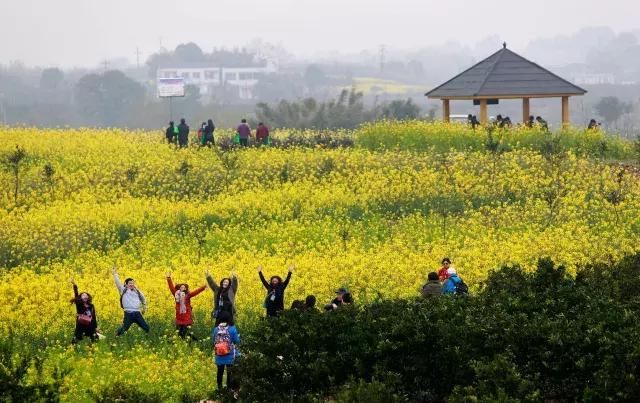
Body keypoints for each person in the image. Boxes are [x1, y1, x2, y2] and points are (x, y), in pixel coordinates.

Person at [166, 272, 207, 340]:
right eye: (181, 287)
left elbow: (195, 292)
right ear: (179, 288)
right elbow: (171, 288)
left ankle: (196, 340)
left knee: (185, 333)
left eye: (184, 287)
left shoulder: (188, 295)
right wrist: (168, 278)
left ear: (186, 289)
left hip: (186, 317)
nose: (183, 288)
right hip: (179, 317)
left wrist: (203, 287)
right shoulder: (176, 295)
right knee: (179, 334)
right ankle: (190, 342)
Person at [113, 266, 150, 336]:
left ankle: (149, 337)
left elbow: (143, 299)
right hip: (128, 313)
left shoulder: (137, 291)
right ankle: (116, 336)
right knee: (124, 328)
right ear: (126, 284)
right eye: (130, 283)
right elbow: (117, 283)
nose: (132, 284)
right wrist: (115, 274)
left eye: (133, 283)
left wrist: (144, 307)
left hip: (137, 313)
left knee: (146, 327)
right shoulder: (123, 290)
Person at [212, 310, 240, 391]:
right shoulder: (232, 329)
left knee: (220, 372)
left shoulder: (216, 329)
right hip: (230, 355)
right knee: (229, 373)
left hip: (219, 355)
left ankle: (219, 388)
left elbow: (213, 341)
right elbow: (237, 341)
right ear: (229, 318)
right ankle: (228, 389)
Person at [70, 278, 99, 343]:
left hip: (90, 324)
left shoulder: (91, 306)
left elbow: (93, 316)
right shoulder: (79, 304)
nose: (85, 296)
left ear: (88, 297)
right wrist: (75, 285)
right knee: (76, 338)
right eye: (83, 295)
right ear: (80, 298)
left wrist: (96, 327)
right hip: (81, 324)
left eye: (86, 295)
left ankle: (92, 349)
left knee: (95, 338)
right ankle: (72, 349)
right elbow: (76, 295)